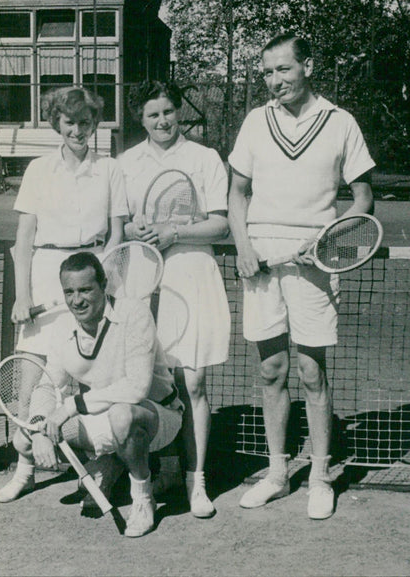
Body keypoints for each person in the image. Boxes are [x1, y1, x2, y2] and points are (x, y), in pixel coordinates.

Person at [227, 33, 375, 520]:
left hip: (314, 263)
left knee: (312, 373)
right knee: (271, 371)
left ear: (307, 66)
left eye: (284, 70)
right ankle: (275, 473)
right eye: (267, 73)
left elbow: (363, 199)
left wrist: (328, 242)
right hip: (261, 263)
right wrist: (244, 246)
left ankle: (318, 476)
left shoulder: (341, 123)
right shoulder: (254, 121)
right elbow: (238, 193)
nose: (275, 82)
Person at [0, 252, 184, 538]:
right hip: (101, 417)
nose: (77, 300)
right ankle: (106, 464)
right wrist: (39, 430)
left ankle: (143, 498)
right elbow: (48, 385)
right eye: (69, 292)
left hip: (157, 417)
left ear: (104, 285)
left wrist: (72, 406)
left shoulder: (134, 313)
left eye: (85, 290)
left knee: (122, 415)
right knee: (23, 441)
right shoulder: (62, 328)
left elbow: (137, 388)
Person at [119, 80, 230, 519]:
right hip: (144, 276)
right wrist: (135, 232)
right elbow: (123, 223)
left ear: (177, 111)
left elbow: (220, 225)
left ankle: (195, 480)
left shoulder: (203, 158)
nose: (162, 121)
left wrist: (175, 232)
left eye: (168, 112)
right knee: (147, 383)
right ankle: (157, 472)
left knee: (194, 383)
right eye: (152, 115)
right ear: (139, 120)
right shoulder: (127, 163)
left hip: (192, 273)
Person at [10, 86, 126, 358]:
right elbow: (24, 239)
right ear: (57, 124)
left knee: (94, 375)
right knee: (35, 378)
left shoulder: (110, 169)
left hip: (94, 275)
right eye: (70, 122)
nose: (77, 130)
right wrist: (23, 296)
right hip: (47, 275)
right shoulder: (38, 169)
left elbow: (117, 233)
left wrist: (102, 278)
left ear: (95, 123)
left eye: (85, 122)